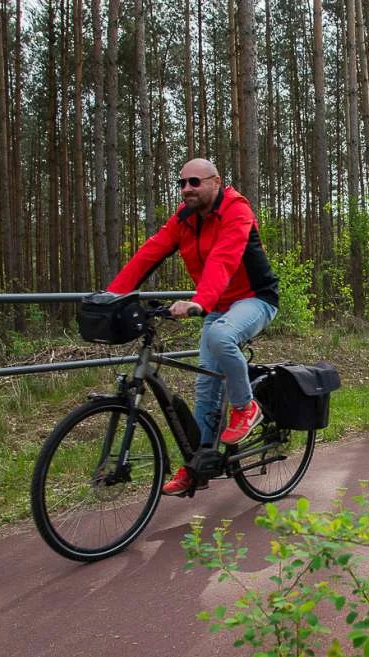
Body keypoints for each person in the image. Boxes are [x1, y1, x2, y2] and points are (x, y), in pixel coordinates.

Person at [107, 158, 279, 496]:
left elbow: (224, 257)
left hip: (255, 299)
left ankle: (246, 406)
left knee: (219, 334)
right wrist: (112, 295)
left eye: (195, 182)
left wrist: (200, 300)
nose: (187, 188)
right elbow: (150, 252)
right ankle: (197, 466)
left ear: (216, 182)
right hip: (215, 303)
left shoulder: (236, 209)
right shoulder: (184, 218)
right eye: (183, 182)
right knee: (204, 389)